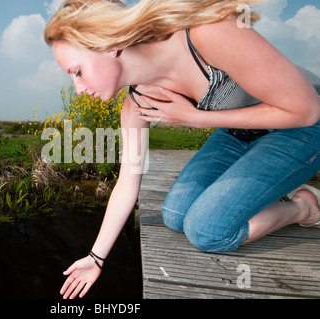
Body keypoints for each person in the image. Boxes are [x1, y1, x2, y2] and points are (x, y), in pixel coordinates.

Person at [44, 0, 320, 299]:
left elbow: (306, 110)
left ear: (108, 44)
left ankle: (304, 207)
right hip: (240, 133)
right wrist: (96, 258)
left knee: (207, 232)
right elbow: (126, 184)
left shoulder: (205, 34)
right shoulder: (136, 105)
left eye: (78, 72)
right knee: (174, 215)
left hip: (301, 126)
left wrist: (198, 118)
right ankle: (266, 184)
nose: (79, 89)